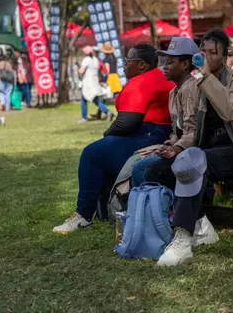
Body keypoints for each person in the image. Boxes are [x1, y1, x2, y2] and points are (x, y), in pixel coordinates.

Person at [132, 32, 233, 266]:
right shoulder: (198, 83)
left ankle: (183, 238)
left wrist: (207, 78)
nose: (207, 57)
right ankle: (200, 224)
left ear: (224, 56)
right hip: (203, 151)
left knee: (192, 163)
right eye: (204, 52)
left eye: (213, 53)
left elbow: (231, 111)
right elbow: (189, 127)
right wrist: (174, 146)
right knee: (156, 171)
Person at [53, 44, 175, 234]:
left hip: (149, 135)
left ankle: (83, 215)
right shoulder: (159, 77)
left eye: (128, 60)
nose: (124, 64)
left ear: (142, 65)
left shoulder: (142, 81)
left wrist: (107, 134)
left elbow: (127, 122)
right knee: (104, 151)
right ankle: (104, 211)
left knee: (92, 153)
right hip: (162, 134)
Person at [79, 46, 112, 123]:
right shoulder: (95, 60)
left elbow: (81, 71)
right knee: (89, 99)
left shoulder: (86, 59)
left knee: (93, 100)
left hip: (88, 82)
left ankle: (107, 112)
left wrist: (78, 68)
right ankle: (106, 112)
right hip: (95, 81)